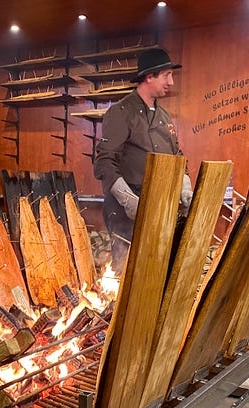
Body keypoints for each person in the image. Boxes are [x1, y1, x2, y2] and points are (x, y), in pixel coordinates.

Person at [94, 47, 192, 272]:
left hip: (158, 201)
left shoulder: (163, 116)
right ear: (150, 76)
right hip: (125, 205)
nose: (172, 82)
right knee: (127, 271)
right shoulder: (121, 111)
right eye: (167, 75)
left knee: (153, 270)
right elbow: (104, 162)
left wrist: (185, 190)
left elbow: (178, 157)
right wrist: (128, 200)